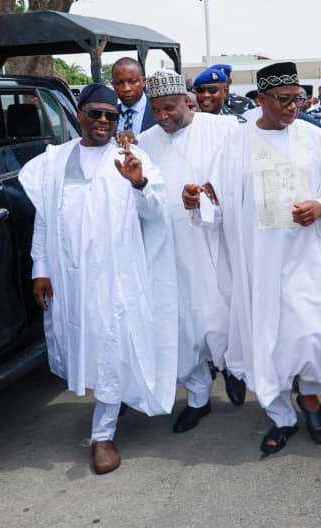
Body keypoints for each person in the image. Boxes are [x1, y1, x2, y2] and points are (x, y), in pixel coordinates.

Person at [183, 62, 321, 455]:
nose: (292, 107)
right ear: (260, 100)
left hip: (307, 259)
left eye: (296, 98)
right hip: (258, 264)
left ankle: (310, 398)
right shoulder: (234, 143)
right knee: (268, 339)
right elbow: (216, 197)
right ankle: (282, 415)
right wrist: (197, 201)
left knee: (312, 334)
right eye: (282, 100)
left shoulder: (316, 139)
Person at [19, 83, 177, 475]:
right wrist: (41, 269)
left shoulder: (130, 156)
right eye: (96, 114)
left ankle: (102, 435)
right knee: (83, 345)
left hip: (115, 275)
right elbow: (45, 218)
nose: (104, 121)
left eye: (111, 115)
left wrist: (138, 182)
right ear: (80, 116)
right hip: (71, 278)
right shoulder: (55, 161)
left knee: (108, 346)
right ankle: (110, 399)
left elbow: (157, 211)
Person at [137, 70, 245, 425]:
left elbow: (239, 183)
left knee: (223, 315)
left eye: (170, 108)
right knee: (181, 325)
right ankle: (198, 397)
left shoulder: (224, 130)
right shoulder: (145, 141)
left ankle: (232, 368)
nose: (163, 117)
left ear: (188, 101)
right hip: (168, 251)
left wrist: (207, 195)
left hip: (216, 245)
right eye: (156, 111)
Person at [112, 57, 156, 142]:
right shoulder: (108, 115)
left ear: (143, 82)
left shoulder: (159, 111)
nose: (126, 88)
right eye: (119, 83)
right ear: (113, 85)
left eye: (133, 82)